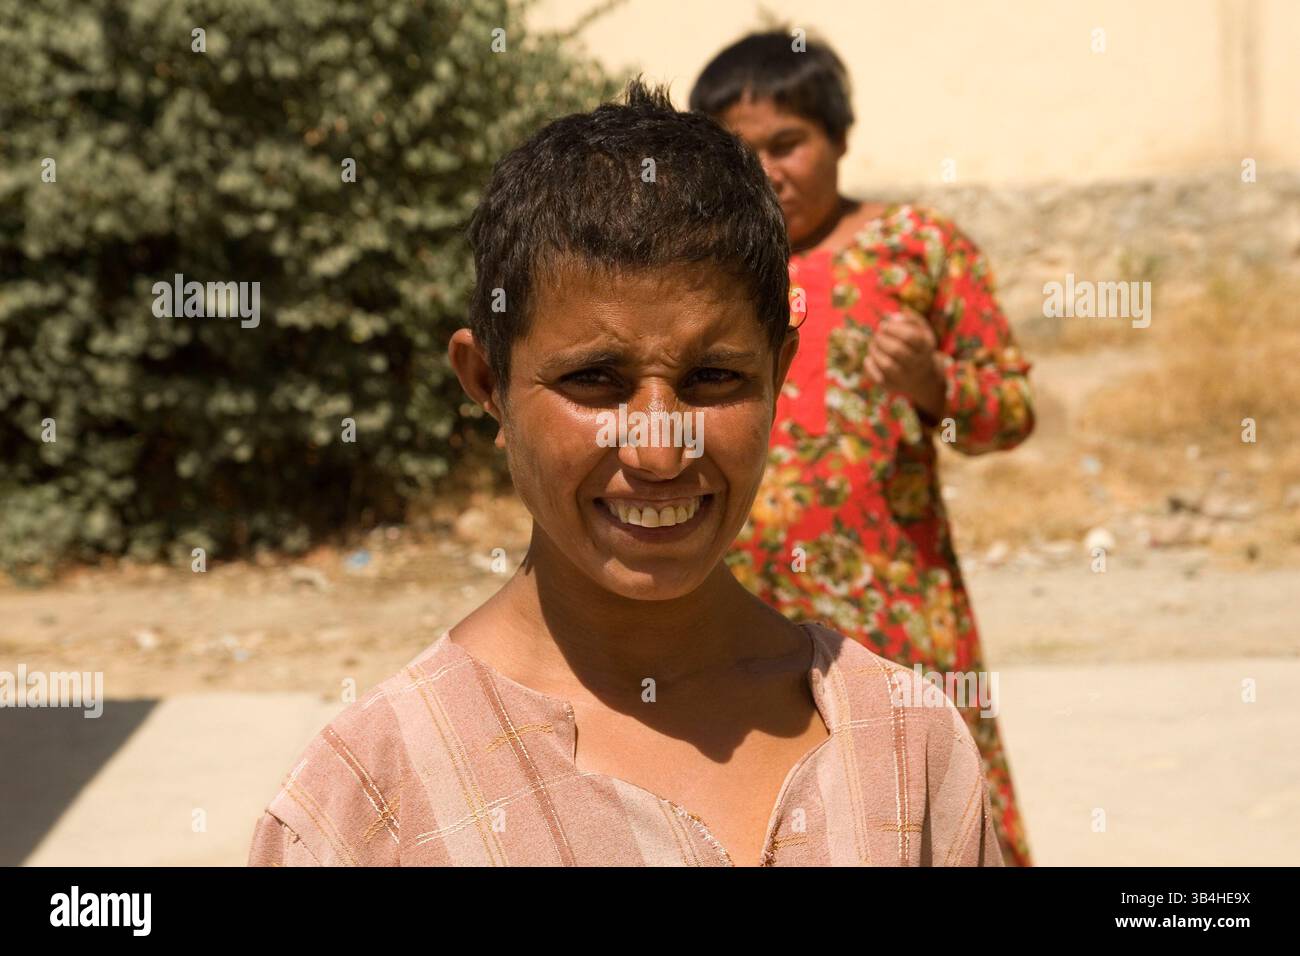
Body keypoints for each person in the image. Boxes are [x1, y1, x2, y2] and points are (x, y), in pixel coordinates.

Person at [247, 78, 1001, 867]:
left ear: (779, 375)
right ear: (486, 384)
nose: (658, 451)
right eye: (593, 382)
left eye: (713, 380)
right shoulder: (374, 804)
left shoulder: (903, 745)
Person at [691, 31, 1036, 866]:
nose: (768, 171)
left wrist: (937, 385)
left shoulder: (918, 247)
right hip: (739, 606)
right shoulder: (699, 269)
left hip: (897, 612)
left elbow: (1011, 411)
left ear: (839, 138)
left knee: (930, 810)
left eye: (788, 144)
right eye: (742, 152)